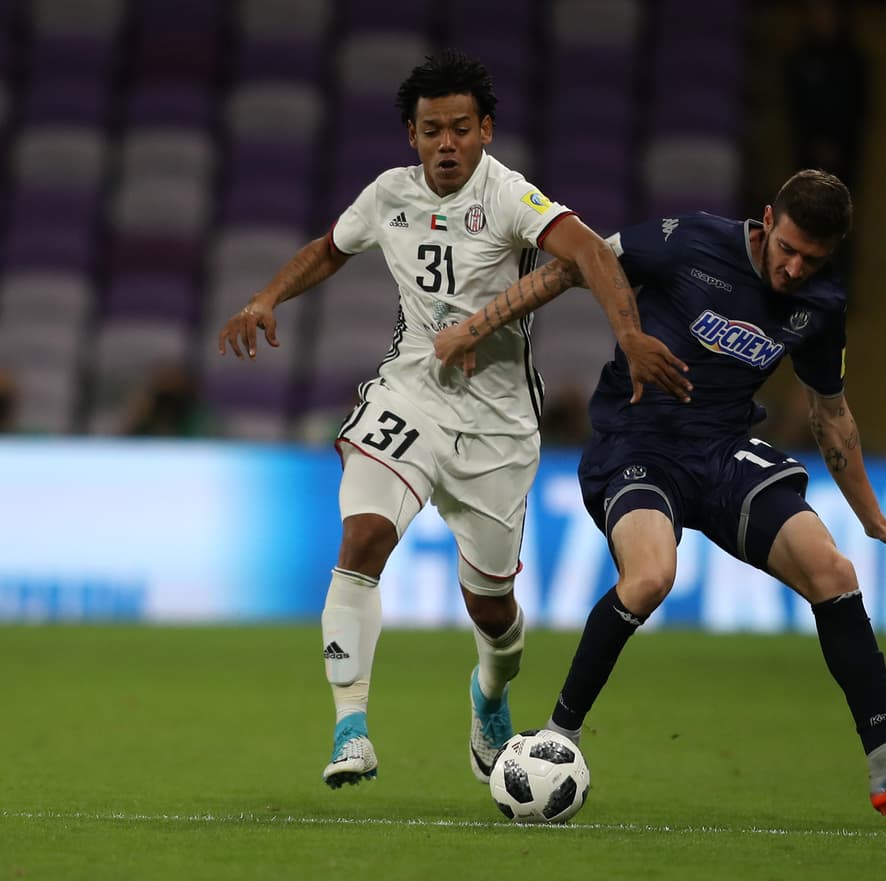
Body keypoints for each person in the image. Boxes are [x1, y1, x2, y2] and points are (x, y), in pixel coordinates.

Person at [435, 169, 886, 818]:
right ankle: (558, 736)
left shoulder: (822, 303)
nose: (795, 269)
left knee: (833, 572)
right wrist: (474, 327)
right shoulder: (687, 241)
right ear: (767, 220)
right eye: (788, 249)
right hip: (636, 445)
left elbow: (830, 415)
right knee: (651, 577)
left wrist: (874, 518)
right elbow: (579, 264)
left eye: (812, 259)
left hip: (722, 452)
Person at [217, 50, 689, 790]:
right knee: (362, 537)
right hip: (410, 395)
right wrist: (267, 297)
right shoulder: (388, 194)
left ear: (486, 130)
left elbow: (590, 252)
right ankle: (350, 729)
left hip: (498, 424)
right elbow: (329, 250)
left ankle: (489, 696)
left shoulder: (508, 196)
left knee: (492, 610)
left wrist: (627, 333)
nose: (447, 144)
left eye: (461, 129)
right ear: (412, 134)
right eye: (432, 130)